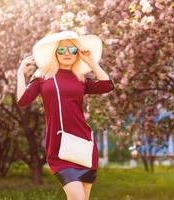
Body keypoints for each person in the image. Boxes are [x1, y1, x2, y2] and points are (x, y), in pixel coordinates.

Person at [16, 30, 114, 200]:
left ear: (78, 53)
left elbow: (107, 85)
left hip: (84, 145)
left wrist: (91, 61)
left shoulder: (80, 78)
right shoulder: (43, 76)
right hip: (59, 146)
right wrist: (20, 74)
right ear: (55, 52)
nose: (67, 54)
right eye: (62, 50)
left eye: (72, 50)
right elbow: (23, 100)